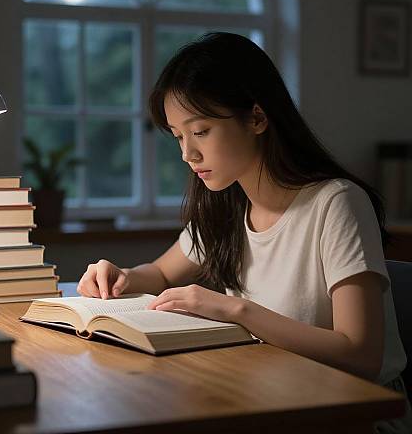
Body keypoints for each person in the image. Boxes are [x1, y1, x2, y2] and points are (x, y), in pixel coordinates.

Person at [77, 32, 412, 433]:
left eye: (200, 131)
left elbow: (361, 355)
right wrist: (124, 276)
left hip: (352, 413)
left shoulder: (336, 202)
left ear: (256, 118)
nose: (188, 154)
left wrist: (233, 310)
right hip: (266, 395)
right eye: (178, 136)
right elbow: (164, 273)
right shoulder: (227, 203)